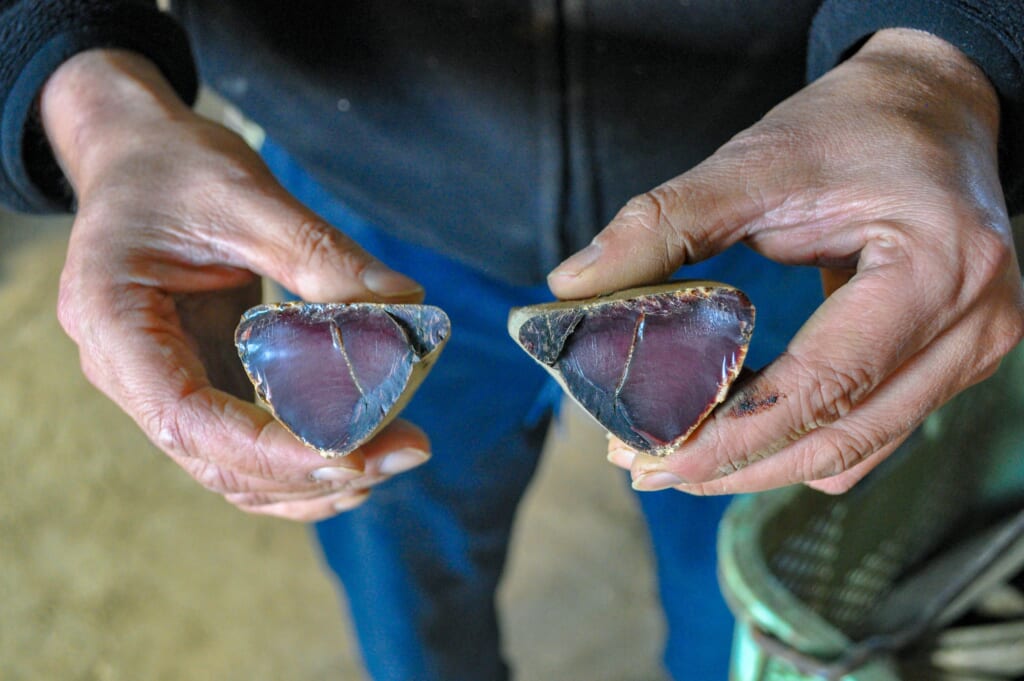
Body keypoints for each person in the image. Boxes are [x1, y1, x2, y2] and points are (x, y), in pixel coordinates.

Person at [2, 1, 1023, 679]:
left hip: (788, 196)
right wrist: (81, 82)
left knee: (741, 588)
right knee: (401, 577)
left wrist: (947, 51)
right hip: (354, 215)